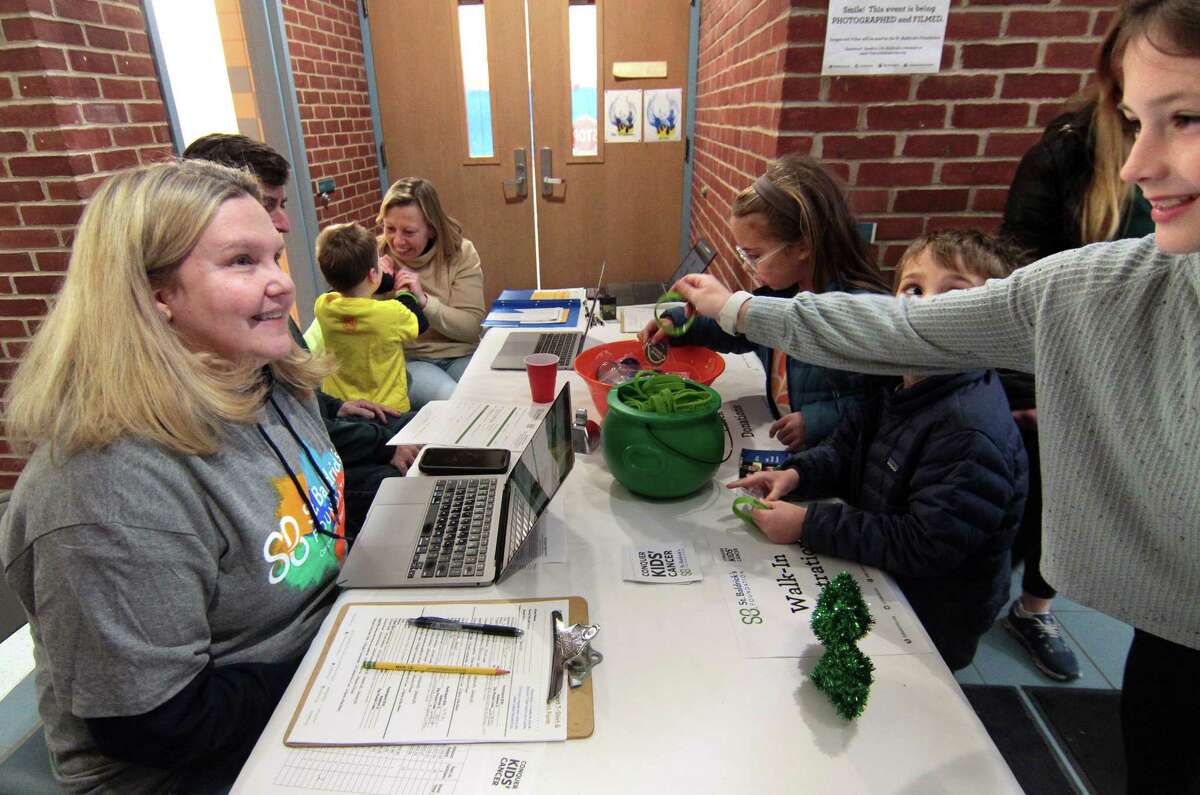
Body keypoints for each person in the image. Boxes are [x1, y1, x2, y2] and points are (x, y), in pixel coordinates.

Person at [673, 2, 1199, 789]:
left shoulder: (968, 424)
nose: (1135, 165)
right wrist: (740, 317)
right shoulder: (1114, 284)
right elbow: (901, 343)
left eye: (1185, 118)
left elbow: (928, 531)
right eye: (1134, 122)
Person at [0, 160, 341, 792]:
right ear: (155, 295)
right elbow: (155, 723)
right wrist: (339, 666)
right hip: (180, 766)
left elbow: (312, 523)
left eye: (274, 256)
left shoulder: (266, 379)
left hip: (303, 677)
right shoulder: (106, 483)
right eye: (242, 261)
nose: (281, 284)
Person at [728, 230, 1028, 671]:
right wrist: (797, 475)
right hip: (885, 581)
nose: (924, 308)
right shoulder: (893, 380)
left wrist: (807, 523)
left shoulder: (969, 431)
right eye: (913, 290)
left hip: (933, 613)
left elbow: (924, 544)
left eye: (952, 296)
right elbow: (847, 450)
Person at [182, 133, 420, 536]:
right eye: (242, 261)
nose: (285, 222)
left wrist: (334, 406)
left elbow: (292, 395)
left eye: (272, 260)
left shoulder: (263, 323)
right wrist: (382, 441)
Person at [997, 89, 1155, 682]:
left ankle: (1035, 605)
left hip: (1139, 372)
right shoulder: (1068, 152)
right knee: (1046, 489)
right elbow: (1020, 281)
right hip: (1065, 366)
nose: (1143, 166)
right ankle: (1019, 596)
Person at [639, 153, 892, 451]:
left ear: (802, 247)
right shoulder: (782, 291)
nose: (749, 266)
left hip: (829, 457)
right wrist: (679, 324)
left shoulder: (858, 311)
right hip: (782, 441)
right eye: (743, 254)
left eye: (755, 255)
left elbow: (884, 402)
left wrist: (818, 421)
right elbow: (734, 328)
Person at [306, 177, 486, 408]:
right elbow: (346, 311)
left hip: (461, 354)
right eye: (389, 228)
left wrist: (424, 301)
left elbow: (470, 327)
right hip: (410, 361)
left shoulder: (461, 252)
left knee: (495, 396)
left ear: (432, 229)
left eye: (409, 232)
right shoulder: (373, 255)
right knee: (455, 402)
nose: (397, 241)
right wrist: (373, 284)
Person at [314, 222, 429, 411]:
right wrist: (403, 292)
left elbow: (349, 286)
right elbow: (421, 323)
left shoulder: (323, 306)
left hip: (345, 407)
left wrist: (380, 277)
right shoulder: (392, 313)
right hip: (389, 409)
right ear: (372, 274)